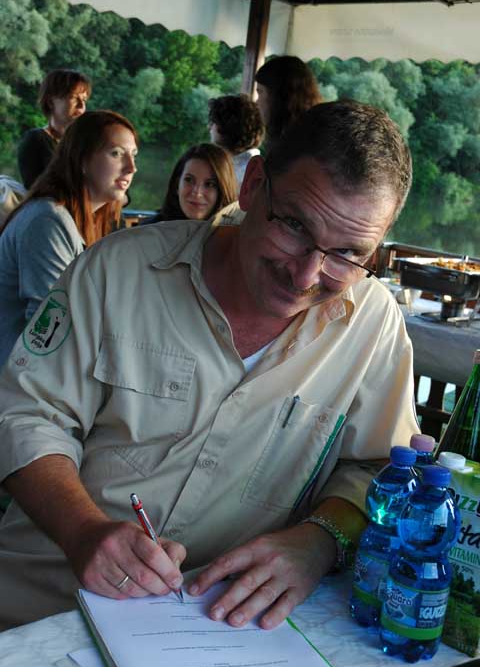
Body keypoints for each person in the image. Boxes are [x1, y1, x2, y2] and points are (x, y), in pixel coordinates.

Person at [0, 99, 419, 631]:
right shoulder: (116, 271)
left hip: (217, 632)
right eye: (294, 227)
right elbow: (24, 415)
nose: (307, 275)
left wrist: (317, 543)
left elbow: (380, 469)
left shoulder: (372, 324)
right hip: (42, 607)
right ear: (252, 185)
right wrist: (82, 530)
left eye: (349, 254)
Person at [0, 109, 138, 369]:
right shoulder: (48, 221)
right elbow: (47, 333)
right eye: (116, 153)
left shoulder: (75, 221)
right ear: (82, 160)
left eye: (133, 155)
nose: (131, 167)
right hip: (15, 387)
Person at [17, 69, 91, 189]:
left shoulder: (86, 143)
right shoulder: (35, 140)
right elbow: (38, 190)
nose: (81, 106)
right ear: (51, 102)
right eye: (73, 97)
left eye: (84, 100)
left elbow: (121, 194)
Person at [143, 143, 237, 225]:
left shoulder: (236, 237)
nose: (197, 192)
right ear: (177, 185)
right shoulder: (149, 231)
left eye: (209, 184)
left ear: (223, 191)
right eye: (189, 180)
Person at [255, 55, 322, 151]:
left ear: (277, 96)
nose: (256, 102)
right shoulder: (310, 134)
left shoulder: (296, 148)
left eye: (260, 92)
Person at [208, 94, 264, 192]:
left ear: (224, 126)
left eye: (213, 122)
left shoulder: (237, 175)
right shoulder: (257, 166)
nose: (209, 128)